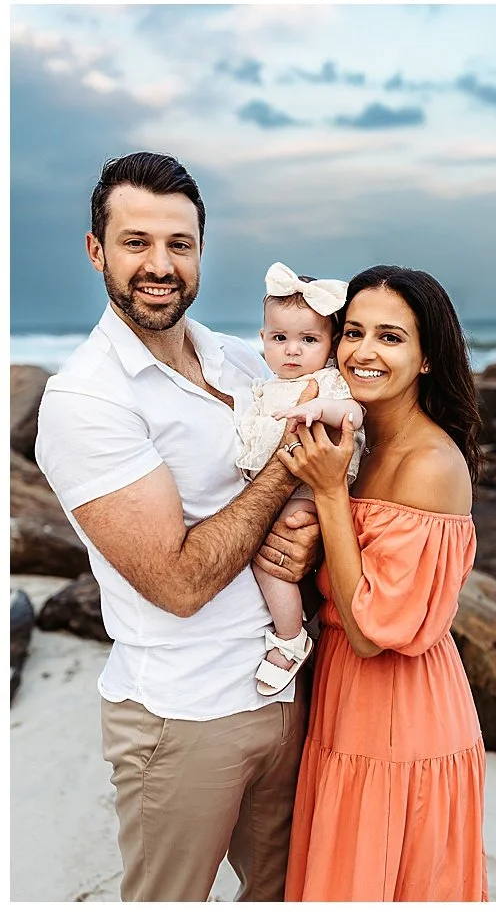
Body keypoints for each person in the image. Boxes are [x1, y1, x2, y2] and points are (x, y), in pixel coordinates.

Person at [33, 152, 322, 901]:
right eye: (136, 242)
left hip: (290, 690)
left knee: (283, 893)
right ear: (96, 249)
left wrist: (314, 531)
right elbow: (180, 581)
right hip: (184, 714)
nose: (159, 264)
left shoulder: (240, 358)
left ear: (200, 252)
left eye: (180, 244)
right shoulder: (86, 400)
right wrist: (289, 470)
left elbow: (314, 487)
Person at [281, 266, 488, 901]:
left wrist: (326, 494)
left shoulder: (429, 464)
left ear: (427, 358)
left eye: (391, 337)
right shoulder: (362, 439)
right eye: (352, 331)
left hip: (400, 719)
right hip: (346, 708)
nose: (363, 352)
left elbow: (373, 631)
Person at [235, 263, 365, 696]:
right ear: (262, 341)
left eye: (308, 340)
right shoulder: (264, 385)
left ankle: (290, 638)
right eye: (280, 338)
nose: (292, 351)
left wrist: (317, 410)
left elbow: (354, 414)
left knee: (269, 557)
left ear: (329, 347)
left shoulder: (326, 382)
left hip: (310, 486)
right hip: (274, 484)